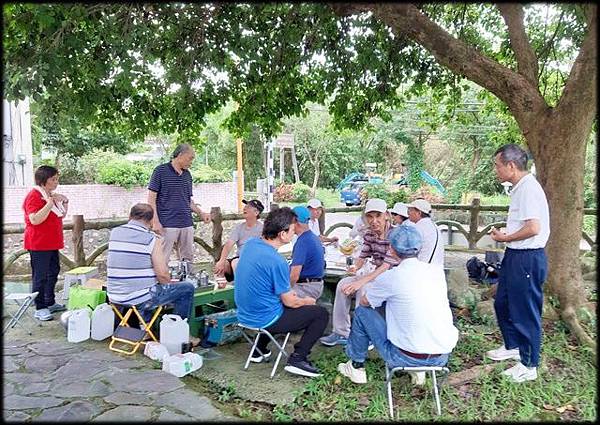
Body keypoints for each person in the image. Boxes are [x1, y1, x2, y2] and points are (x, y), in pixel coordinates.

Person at [337, 225, 459, 385]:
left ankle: (356, 366)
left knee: (361, 312)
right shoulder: (436, 272)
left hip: (403, 357)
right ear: (419, 248)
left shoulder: (391, 277)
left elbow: (365, 302)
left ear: (391, 250)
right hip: (441, 356)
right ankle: (419, 372)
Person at [234, 207, 329, 378]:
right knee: (320, 313)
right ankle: (298, 359)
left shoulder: (250, 245)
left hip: (244, 315)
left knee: (273, 301)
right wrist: (307, 301)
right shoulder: (277, 261)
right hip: (266, 319)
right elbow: (290, 302)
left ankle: (259, 350)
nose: (294, 234)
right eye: (292, 230)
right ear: (282, 234)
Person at [486, 144, 549, 383]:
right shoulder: (519, 188)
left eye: (497, 165)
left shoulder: (528, 189)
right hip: (515, 255)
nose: (495, 170)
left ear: (511, 166)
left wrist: (505, 237)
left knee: (525, 311)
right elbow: (525, 224)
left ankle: (529, 364)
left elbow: (534, 228)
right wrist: (508, 232)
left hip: (527, 257)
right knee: (502, 303)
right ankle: (513, 346)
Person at [106, 203, 199, 345]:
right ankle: (179, 334)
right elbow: (162, 274)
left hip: (113, 296)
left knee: (149, 286)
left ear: (130, 216)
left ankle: (146, 326)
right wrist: (169, 283)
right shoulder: (151, 239)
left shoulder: (115, 232)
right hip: (139, 299)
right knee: (186, 288)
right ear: (150, 221)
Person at [320, 198, 400, 347]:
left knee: (363, 289)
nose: (374, 220)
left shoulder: (396, 234)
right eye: (370, 216)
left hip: (393, 277)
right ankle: (341, 332)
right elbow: (363, 256)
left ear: (387, 215)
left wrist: (360, 281)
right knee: (343, 284)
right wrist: (355, 268)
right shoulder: (369, 234)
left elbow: (386, 267)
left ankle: (364, 335)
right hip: (376, 274)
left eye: (378, 216)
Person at [147, 143, 211, 266]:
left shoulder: (187, 175)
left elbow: (188, 200)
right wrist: (155, 221)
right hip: (167, 223)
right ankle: (160, 283)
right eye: (190, 158)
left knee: (188, 258)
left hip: (186, 222)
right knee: (162, 257)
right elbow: (151, 199)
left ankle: (187, 282)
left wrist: (201, 213)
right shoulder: (160, 171)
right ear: (180, 155)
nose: (191, 162)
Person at [22, 165, 69, 321]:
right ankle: (40, 306)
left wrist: (64, 201)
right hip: (39, 242)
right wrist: (49, 203)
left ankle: (49, 301)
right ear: (43, 181)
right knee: (40, 276)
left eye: (57, 179)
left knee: (53, 271)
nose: (56, 182)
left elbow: (60, 215)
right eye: (53, 179)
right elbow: (34, 219)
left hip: (52, 242)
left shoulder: (50, 195)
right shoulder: (34, 196)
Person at [214, 199, 264, 284]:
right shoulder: (239, 227)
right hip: (240, 257)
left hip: (255, 261)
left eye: (248, 207)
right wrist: (221, 260)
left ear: (256, 213)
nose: (244, 208)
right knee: (222, 265)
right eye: (245, 206)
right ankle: (221, 289)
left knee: (236, 263)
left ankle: (240, 288)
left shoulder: (263, 229)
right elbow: (229, 244)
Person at [289, 206, 325, 299]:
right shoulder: (312, 237)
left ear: (295, 222)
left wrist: (283, 290)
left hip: (307, 286)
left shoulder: (303, 242)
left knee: (271, 297)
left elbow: (294, 276)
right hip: (315, 284)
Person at [407, 199, 444, 267]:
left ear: (419, 213)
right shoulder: (433, 225)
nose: (408, 213)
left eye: (411, 210)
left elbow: (408, 251)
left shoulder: (418, 228)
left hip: (423, 270)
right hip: (437, 270)